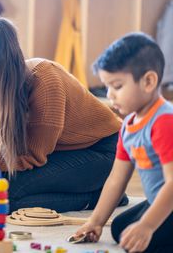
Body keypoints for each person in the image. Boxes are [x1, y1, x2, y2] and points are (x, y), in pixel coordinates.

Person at [0, 17, 127, 213]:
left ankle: (100, 196)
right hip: (56, 152)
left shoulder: (45, 81)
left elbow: (31, 156)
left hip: (103, 152)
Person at [73, 32, 173, 252]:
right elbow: (116, 180)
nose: (111, 96)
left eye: (117, 86)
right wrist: (96, 221)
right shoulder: (128, 125)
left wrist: (147, 225)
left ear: (148, 81)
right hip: (161, 201)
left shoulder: (164, 121)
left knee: (143, 238)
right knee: (121, 229)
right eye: (107, 87)